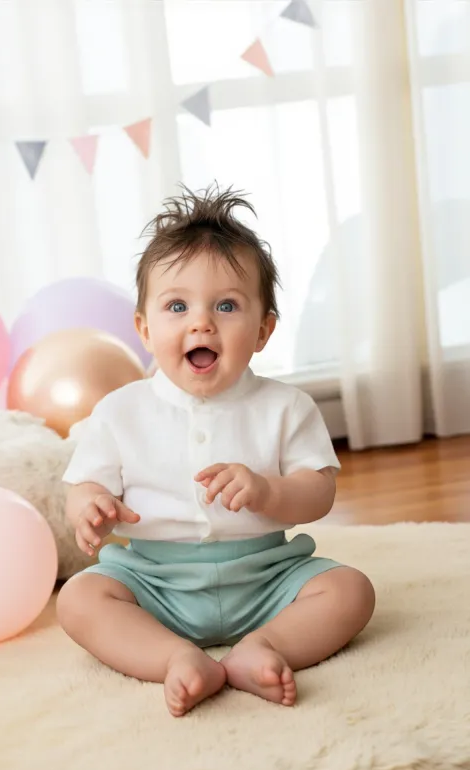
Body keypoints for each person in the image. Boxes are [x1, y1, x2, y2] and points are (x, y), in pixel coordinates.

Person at [57, 185, 375, 717]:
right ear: (144, 328)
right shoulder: (120, 411)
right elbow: (83, 484)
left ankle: (265, 647)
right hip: (156, 581)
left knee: (351, 591)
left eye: (226, 305)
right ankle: (175, 657)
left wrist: (270, 490)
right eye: (177, 306)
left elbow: (318, 493)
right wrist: (88, 507)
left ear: (263, 331)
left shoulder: (285, 407)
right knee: (80, 601)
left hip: (267, 576)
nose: (200, 323)